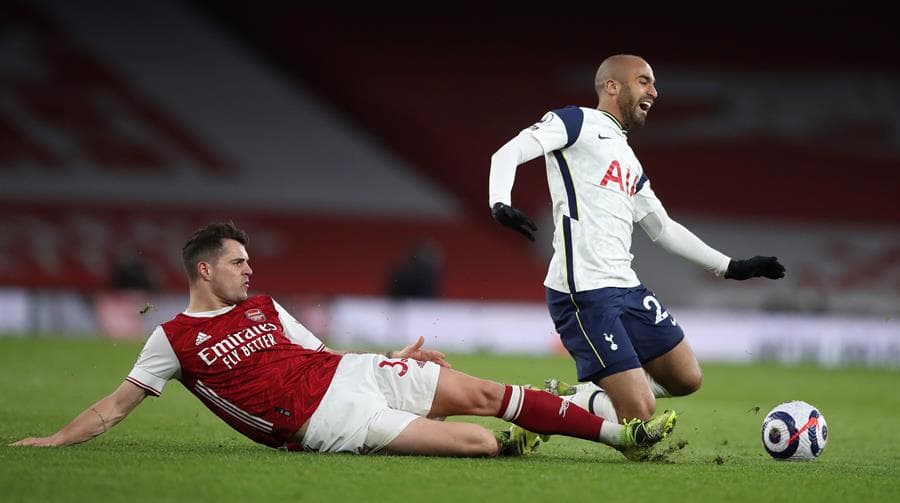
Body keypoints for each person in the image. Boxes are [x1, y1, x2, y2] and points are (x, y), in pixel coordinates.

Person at [12, 221, 676, 460]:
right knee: (479, 440)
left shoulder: (268, 306)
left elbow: (320, 350)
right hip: (327, 420)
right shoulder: (173, 337)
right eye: (239, 261)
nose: (252, 269)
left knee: (477, 388)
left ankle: (624, 436)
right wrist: (55, 440)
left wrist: (400, 361)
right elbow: (114, 405)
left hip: (353, 373)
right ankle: (544, 410)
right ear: (205, 269)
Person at [488, 54, 785, 423]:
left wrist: (730, 267)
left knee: (686, 378)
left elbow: (662, 226)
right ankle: (545, 406)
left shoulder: (627, 156)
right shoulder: (574, 121)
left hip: (626, 287)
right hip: (584, 291)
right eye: (644, 81)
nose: (654, 92)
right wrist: (499, 202)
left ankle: (579, 396)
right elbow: (509, 151)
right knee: (639, 411)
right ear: (612, 86)